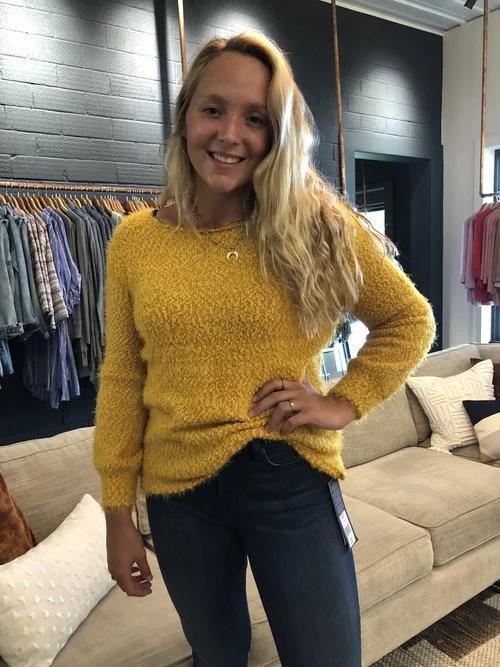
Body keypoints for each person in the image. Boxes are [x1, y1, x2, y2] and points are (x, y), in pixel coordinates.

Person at [93, 30, 436, 667]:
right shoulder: (134, 241)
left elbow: (409, 319)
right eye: (213, 109)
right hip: (177, 496)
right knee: (216, 656)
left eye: (255, 118)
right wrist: (117, 512)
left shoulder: (316, 225)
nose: (230, 134)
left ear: (278, 133)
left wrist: (343, 403)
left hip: (290, 475)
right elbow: (121, 377)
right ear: (185, 118)